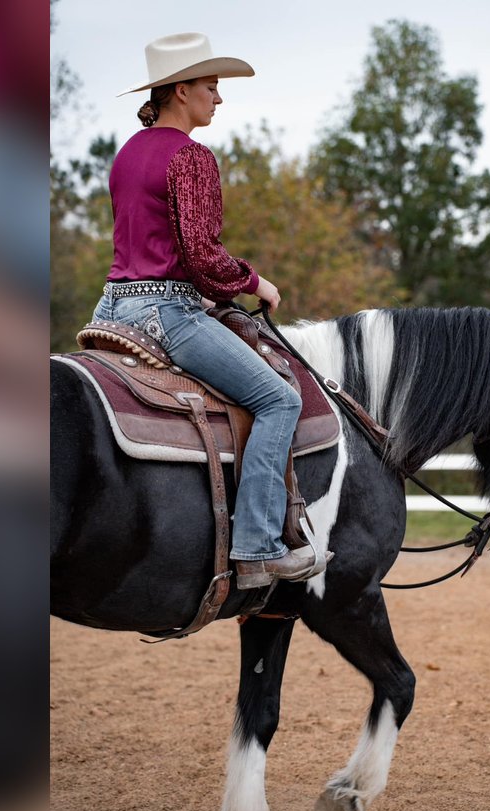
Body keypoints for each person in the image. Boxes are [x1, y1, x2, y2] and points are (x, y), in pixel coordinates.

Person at [93, 32, 327, 590]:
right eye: (211, 86)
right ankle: (256, 549)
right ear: (180, 91)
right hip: (167, 313)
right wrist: (253, 281)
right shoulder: (191, 157)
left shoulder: (127, 152)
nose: (218, 98)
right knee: (278, 399)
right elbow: (201, 255)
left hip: (112, 307)